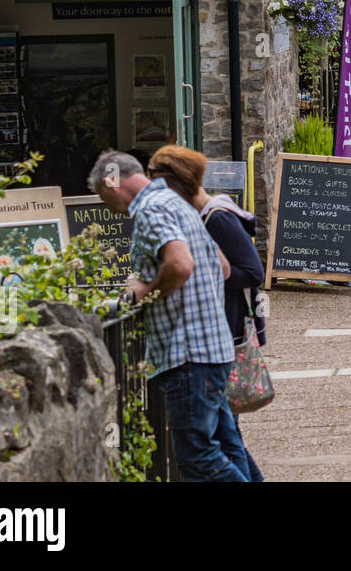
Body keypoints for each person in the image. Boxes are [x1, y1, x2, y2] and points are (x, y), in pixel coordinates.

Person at [89, 150, 246, 482]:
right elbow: (222, 266)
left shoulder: (151, 209)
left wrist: (143, 291)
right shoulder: (179, 204)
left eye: (103, 196)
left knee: (197, 457)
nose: (106, 205)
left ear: (111, 181)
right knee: (227, 447)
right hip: (213, 347)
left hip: (186, 353)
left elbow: (180, 264)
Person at [148, 145, 265, 483]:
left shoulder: (218, 217)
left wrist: (212, 271)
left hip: (226, 333)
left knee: (221, 441)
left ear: (176, 184)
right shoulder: (204, 217)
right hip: (216, 337)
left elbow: (253, 271)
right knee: (228, 438)